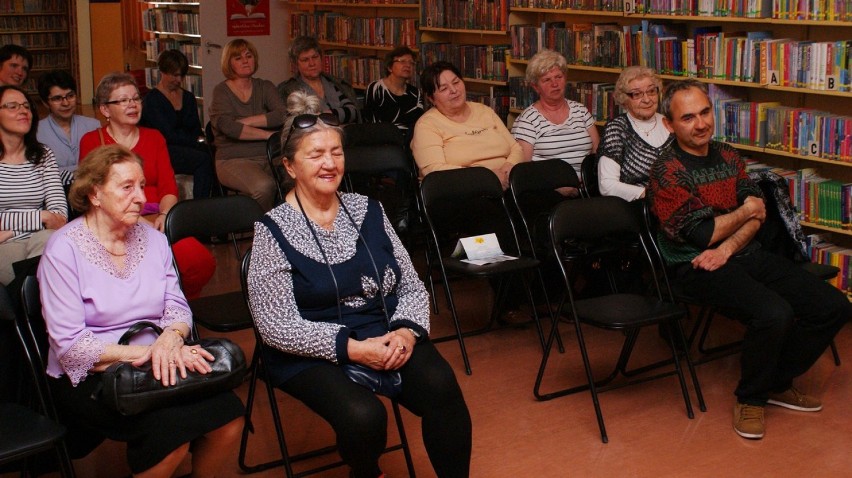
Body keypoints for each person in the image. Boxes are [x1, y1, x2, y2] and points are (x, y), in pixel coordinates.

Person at [247, 113, 471, 478]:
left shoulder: (369, 209)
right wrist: (351, 349)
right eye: (316, 154)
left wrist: (404, 332)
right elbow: (275, 326)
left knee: (442, 388)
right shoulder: (272, 229)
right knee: (364, 416)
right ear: (289, 165)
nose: (329, 163)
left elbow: (411, 285)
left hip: (383, 330)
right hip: (309, 349)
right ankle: (365, 472)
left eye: (336, 152)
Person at [648, 79, 851, 440]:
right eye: (688, 117)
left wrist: (728, 244)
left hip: (737, 254)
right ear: (669, 124)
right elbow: (702, 235)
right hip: (693, 266)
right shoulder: (667, 171)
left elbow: (756, 216)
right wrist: (743, 214)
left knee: (832, 305)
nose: (700, 124)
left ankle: (775, 381)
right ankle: (751, 398)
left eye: (706, 112)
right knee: (774, 313)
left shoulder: (727, 154)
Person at [38, 144, 243, 476]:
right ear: (94, 194)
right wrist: (153, 352)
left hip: (163, 361)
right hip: (95, 374)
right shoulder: (63, 251)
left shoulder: (153, 238)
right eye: (126, 187)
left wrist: (172, 339)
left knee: (229, 418)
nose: (140, 197)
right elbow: (71, 348)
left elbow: (176, 305)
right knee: (169, 437)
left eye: (142, 185)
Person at [79, 72, 215, 299]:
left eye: (135, 98)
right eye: (123, 100)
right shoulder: (92, 141)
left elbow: (169, 187)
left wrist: (165, 214)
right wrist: (140, 222)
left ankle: (177, 308)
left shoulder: (154, 137)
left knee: (198, 258)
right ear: (105, 110)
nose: (132, 105)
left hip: (157, 220)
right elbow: (92, 195)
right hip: (115, 221)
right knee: (142, 267)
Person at [411, 61, 523, 190]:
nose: (454, 90)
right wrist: (488, 178)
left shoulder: (484, 110)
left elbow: (516, 148)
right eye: (444, 89)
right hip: (463, 192)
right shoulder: (427, 124)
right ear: (431, 98)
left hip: (508, 184)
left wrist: (508, 168)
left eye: (456, 82)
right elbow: (434, 170)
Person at [0, 84, 67, 286]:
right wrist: (41, 216)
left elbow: (59, 216)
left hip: (39, 239)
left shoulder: (43, 155)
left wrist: (10, 231)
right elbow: (48, 217)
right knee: (42, 272)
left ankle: (26, 309)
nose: (23, 111)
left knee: (49, 243)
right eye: (12, 106)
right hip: (5, 248)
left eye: (26, 106)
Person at [209, 38, 286, 211]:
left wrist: (245, 121)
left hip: (270, 156)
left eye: (248, 56)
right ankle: (264, 231)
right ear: (229, 64)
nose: (245, 61)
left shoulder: (265, 86)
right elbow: (228, 127)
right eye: (238, 58)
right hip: (233, 159)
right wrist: (267, 135)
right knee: (264, 187)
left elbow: (281, 115)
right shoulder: (221, 91)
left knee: (302, 179)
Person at [510, 49, 598, 195]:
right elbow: (523, 172)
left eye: (559, 77)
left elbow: (597, 153)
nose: (555, 84)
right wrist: (555, 188)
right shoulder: (528, 120)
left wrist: (589, 182)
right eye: (547, 80)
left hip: (587, 189)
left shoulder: (581, 111)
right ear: (535, 86)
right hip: (548, 192)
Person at [141, 49, 214, 199]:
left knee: (214, 153)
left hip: (186, 145)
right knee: (203, 160)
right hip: (163, 149)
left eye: (181, 75)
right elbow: (167, 135)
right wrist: (196, 141)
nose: (179, 80)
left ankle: (217, 202)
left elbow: (195, 128)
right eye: (174, 75)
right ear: (163, 71)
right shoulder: (152, 101)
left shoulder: (188, 97)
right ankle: (200, 205)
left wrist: (201, 141)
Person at [598, 66, 672, 201]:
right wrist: (652, 195)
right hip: (635, 208)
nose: (647, 99)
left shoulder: (671, 123)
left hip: (678, 202)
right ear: (624, 99)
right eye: (637, 94)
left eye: (651, 91)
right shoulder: (617, 129)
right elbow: (606, 185)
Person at [36, 70, 100, 187]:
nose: (66, 103)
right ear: (45, 103)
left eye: (70, 96)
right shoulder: (36, 132)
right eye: (57, 98)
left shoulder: (94, 126)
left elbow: (102, 165)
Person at [277, 35, 359, 125]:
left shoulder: (335, 83)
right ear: (296, 64)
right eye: (305, 60)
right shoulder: (289, 90)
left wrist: (326, 115)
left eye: (315, 57)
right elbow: (300, 121)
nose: (312, 63)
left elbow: (352, 111)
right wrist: (337, 114)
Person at [363, 46, 424, 142]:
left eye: (411, 63)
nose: (408, 65)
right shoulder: (375, 88)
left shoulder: (415, 93)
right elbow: (370, 122)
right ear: (389, 67)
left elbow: (418, 124)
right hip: (380, 142)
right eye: (402, 61)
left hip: (409, 143)